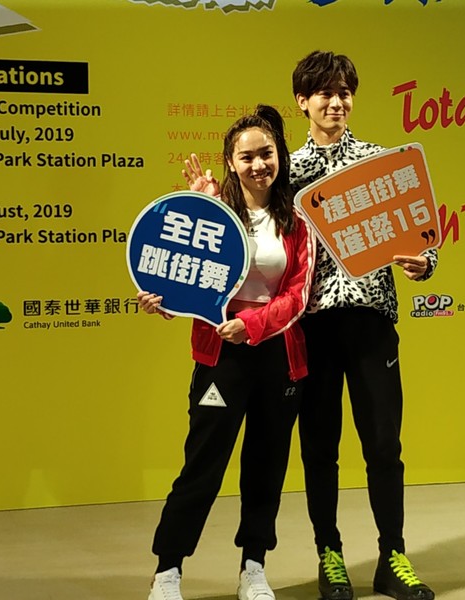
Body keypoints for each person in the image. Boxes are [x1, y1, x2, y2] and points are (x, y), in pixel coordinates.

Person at [138, 105, 315, 600]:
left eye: (267, 154)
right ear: (231, 163)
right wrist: (161, 302)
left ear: (279, 156)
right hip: (221, 357)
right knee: (202, 466)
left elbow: (297, 295)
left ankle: (254, 568)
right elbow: (188, 279)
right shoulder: (212, 214)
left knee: (265, 468)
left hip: (278, 357)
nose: (259, 165)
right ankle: (167, 571)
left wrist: (252, 325)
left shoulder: (298, 220)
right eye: (247, 157)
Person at [289, 50, 439, 600]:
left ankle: (392, 556)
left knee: (383, 444)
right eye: (324, 93)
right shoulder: (288, 174)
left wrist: (424, 264)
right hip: (312, 327)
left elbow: (421, 236)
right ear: (302, 102)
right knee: (319, 448)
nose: (336, 102)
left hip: (373, 323)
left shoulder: (380, 163)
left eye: (344, 92)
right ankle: (329, 555)